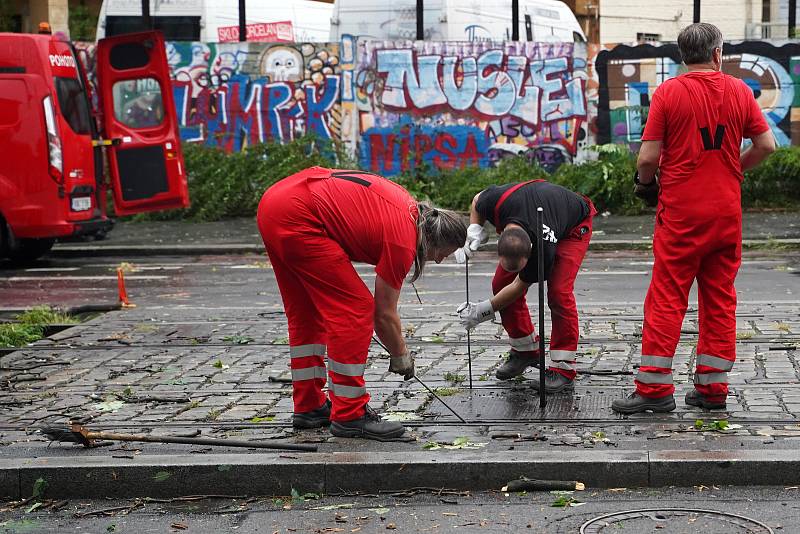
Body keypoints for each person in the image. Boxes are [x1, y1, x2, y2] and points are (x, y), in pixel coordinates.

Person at [612, 23, 776, 414]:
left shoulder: (669, 92)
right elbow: (766, 145)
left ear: (682, 57)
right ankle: (712, 389)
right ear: (718, 53)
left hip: (683, 215)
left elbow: (648, 158)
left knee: (668, 297)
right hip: (726, 213)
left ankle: (654, 390)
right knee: (720, 298)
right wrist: (733, 168)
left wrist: (646, 184)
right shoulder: (739, 90)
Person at [258, 167, 466, 440]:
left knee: (307, 314)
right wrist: (401, 355)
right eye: (443, 254)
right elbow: (383, 314)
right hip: (299, 216)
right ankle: (350, 415)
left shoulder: (408, 209)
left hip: (276, 203)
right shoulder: (403, 240)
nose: (438, 261)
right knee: (354, 311)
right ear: (436, 240)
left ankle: (309, 406)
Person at [455, 179, 596, 393]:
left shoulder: (543, 248)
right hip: (535, 205)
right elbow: (476, 201)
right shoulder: (494, 203)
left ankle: (563, 369)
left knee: (559, 293)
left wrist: (482, 311)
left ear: (530, 252)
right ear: (499, 243)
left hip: (574, 225)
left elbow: (519, 285)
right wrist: (474, 228)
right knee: (500, 282)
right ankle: (526, 351)